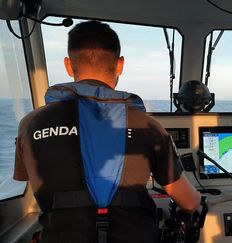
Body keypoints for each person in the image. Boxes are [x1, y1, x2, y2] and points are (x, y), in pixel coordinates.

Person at [13, 21, 201, 243]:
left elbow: (28, 178)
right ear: (120, 64)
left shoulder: (29, 124)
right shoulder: (148, 126)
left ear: (68, 65)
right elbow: (189, 203)